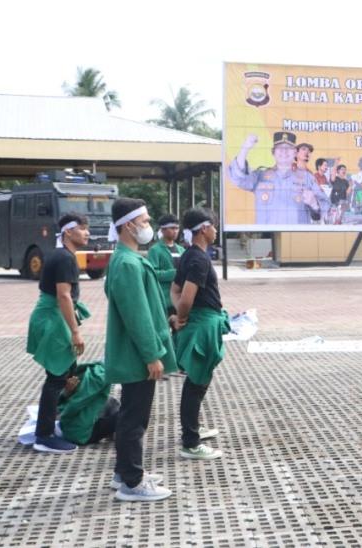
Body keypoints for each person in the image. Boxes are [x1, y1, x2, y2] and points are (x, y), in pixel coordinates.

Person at [104, 198, 177, 502]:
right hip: (137, 356)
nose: (148, 226)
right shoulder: (127, 264)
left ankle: (123, 473)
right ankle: (133, 483)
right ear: (127, 226)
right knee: (134, 419)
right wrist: (151, 354)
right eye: (144, 221)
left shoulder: (128, 259)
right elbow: (137, 316)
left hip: (135, 354)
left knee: (130, 415)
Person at [26, 213, 92, 454]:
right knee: (56, 378)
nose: (87, 233)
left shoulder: (62, 255)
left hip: (52, 316)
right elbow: (63, 296)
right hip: (53, 318)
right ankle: (44, 436)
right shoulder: (65, 258)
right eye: (82, 228)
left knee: (64, 375)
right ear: (68, 232)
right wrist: (75, 332)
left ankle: (54, 426)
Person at [171, 208, 230, 461]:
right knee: (196, 383)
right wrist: (181, 315)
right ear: (204, 228)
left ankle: (193, 427)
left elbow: (174, 290)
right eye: (214, 226)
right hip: (202, 325)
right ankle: (191, 442)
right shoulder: (199, 259)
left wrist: (180, 315)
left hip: (200, 322)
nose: (216, 231)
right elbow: (185, 297)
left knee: (199, 380)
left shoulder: (189, 255)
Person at [227, 132, 330, 224]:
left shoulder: (307, 178)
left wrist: (314, 204)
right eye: (280, 148)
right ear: (273, 152)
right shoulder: (260, 176)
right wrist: (244, 149)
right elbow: (238, 178)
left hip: (297, 236)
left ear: (295, 152)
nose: (284, 151)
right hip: (270, 237)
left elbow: (326, 205)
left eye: (288, 148)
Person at [57, 361, 120, 447]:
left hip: (70, 425)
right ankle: (120, 432)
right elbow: (74, 405)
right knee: (129, 414)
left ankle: (116, 429)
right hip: (82, 435)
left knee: (111, 401)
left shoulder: (86, 370)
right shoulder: (100, 377)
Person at [147, 214, 184, 315]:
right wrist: (174, 274)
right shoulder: (155, 250)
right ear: (162, 230)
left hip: (180, 299)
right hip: (164, 300)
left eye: (177, 228)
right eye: (172, 228)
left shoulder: (181, 250)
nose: (175, 231)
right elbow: (152, 274)